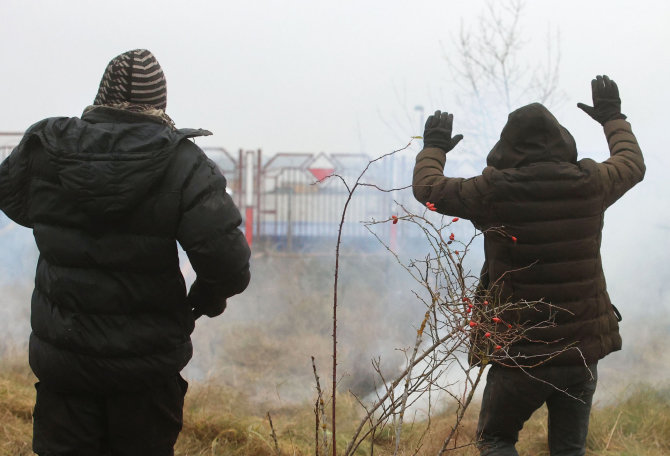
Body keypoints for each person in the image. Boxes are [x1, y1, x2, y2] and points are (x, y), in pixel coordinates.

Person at [0, 49, 251, 455]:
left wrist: (61, 222)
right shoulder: (183, 162)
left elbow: (11, 197)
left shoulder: (48, 147)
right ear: (160, 104)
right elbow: (228, 264)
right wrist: (205, 298)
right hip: (145, 374)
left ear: (102, 94)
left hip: (65, 365)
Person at [412, 75, 644, 455]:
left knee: (495, 439)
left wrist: (434, 147)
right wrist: (612, 117)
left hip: (520, 353)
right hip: (580, 353)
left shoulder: (492, 192)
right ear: (564, 141)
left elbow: (428, 190)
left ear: (506, 147)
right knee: (569, 450)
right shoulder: (590, 183)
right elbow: (632, 165)